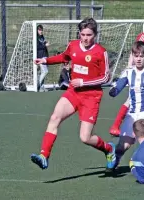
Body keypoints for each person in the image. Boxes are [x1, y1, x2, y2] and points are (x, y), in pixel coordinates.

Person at [30, 17, 116, 170]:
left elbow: (105, 77)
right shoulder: (73, 45)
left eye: (89, 35)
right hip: (73, 93)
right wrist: (45, 60)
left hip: (91, 97)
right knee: (55, 117)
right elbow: (64, 57)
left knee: (85, 137)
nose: (85, 38)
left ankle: (109, 149)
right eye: (82, 34)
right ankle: (44, 155)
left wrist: (83, 82)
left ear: (95, 35)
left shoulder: (100, 52)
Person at [108, 41, 144, 171]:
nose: (138, 59)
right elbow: (119, 85)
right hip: (132, 113)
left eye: (141, 56)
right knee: (123, 145)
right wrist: (113, 91)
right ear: (132, 56)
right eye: (136, 55)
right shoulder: (128, 72)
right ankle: (113, 161)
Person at [37, 25, 50, 91]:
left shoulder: (42, 37)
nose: (41, 31)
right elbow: (37, 47)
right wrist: (44, 45)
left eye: (41, 30)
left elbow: (44, 43)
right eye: (39, 30)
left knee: (43, 72)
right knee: (45, 72)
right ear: (37, 30)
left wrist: (46, 43)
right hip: (40, 56)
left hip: (45, 55)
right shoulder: (36, 37)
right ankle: (38, 84)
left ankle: (41, 87)